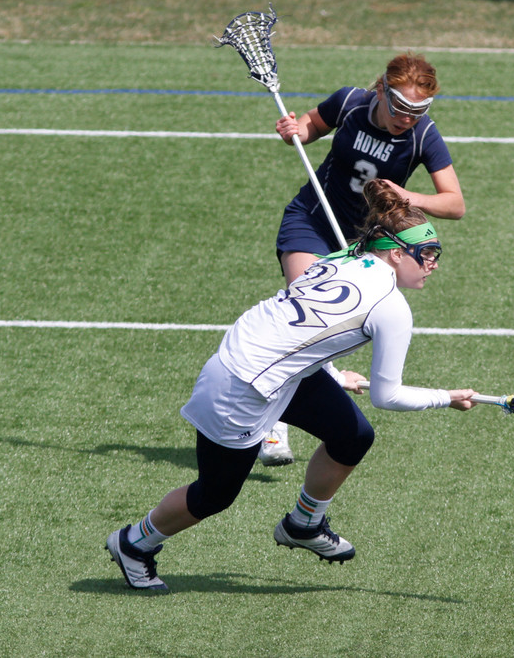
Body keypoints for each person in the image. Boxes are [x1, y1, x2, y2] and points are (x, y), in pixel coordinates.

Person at [105, 179, 475, 591]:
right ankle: (134, 543)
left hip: (267, 364)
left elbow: (303, 326)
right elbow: (387, 396)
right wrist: (448, 398)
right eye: (427, 254)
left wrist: (332, 374)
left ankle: (304, 523)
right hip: (240, 387)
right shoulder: (392, 308)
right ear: (394, 253)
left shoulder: (346, 256)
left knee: (352, 436)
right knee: (215, 494)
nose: (433, 264)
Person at [261, 51, 466, 466]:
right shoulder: (350, 101)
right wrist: (293, 130)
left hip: (364, 242)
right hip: (312, 221)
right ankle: (272, 424)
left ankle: (316, 384)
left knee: (335, 331)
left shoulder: (423, 136)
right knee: (307, 312)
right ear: (381, 91)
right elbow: (309, 127)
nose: (408, 118)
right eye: (402, 107)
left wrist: (409, 196)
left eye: (419, 110)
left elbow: (455, 203)